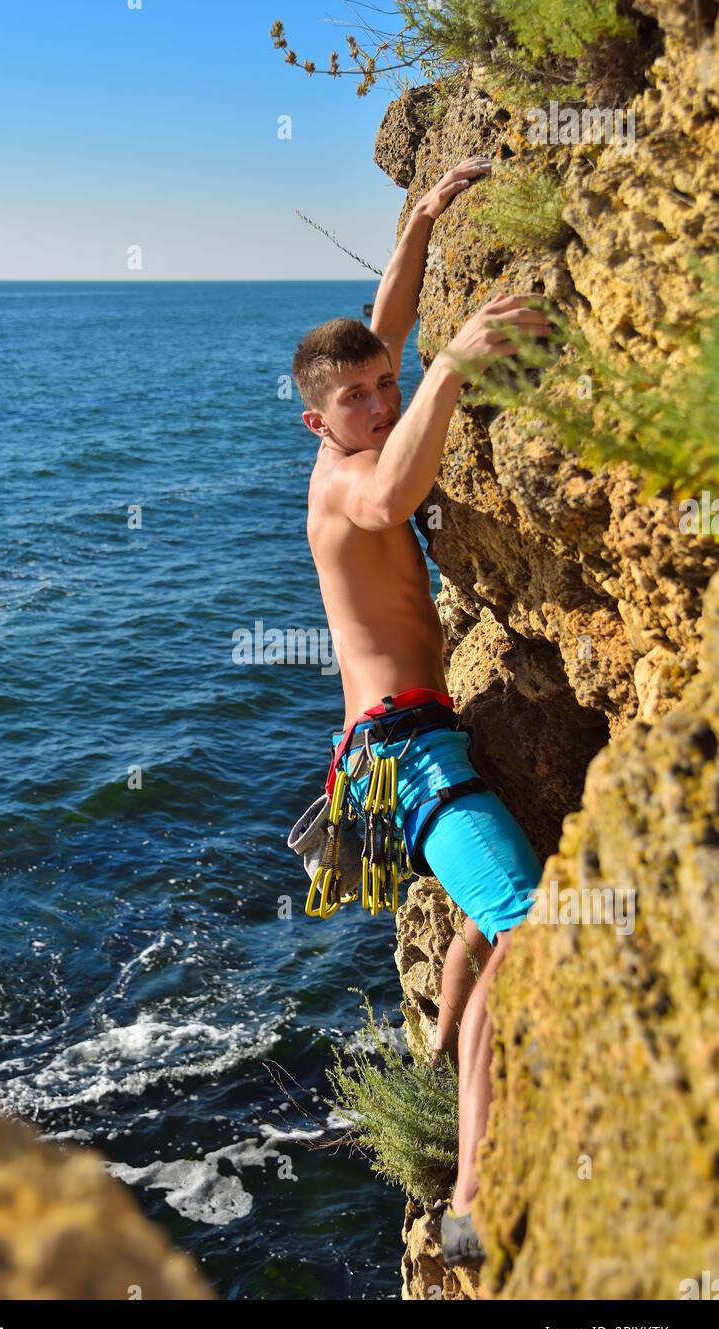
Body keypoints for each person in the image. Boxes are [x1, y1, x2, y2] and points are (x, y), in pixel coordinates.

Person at [291, 158, 550, 1268]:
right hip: (407, 757)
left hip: (395, 748)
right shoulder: (347, 481)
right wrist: (450, 366)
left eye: (385, 386)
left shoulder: (368, 408)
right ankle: (475, 1187)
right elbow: (395, 489)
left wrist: (424, 219)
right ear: (315, 420)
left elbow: (385, 331)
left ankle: (444, 1046)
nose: (381, 404)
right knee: (533, 931)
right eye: (357, 398)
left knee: (481, 915)